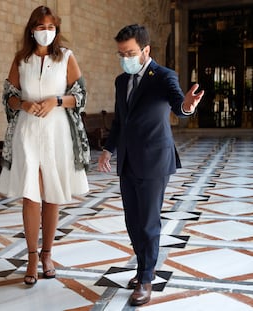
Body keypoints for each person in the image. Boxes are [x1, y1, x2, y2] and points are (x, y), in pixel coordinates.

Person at [98, 24, 204, 306]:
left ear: (146, 50)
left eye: (130, 53)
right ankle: (143, 266)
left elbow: (178, 104)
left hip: (155, 160)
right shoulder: (122, 81)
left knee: (148, 222)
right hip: (128, 161)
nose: (125, 58)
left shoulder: (163, 76)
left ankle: (146, 279)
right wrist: (108, 149)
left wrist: (187, 107)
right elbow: (120, 121)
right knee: (132, 220)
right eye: (121, 53)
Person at [0, 5, 90, 286]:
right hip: (27, 131)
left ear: (56, 30)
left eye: (50, 27)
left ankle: (48, 254)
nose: (46, 32)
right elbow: (8, 96)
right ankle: (31, 257)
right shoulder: (21, 59)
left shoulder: (66, 58)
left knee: (51, 193)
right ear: (31, 30)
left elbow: (81, 96)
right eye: (40, 27)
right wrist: (23, 103)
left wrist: (56, 101)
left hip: (56, 132)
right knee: (30, 194)